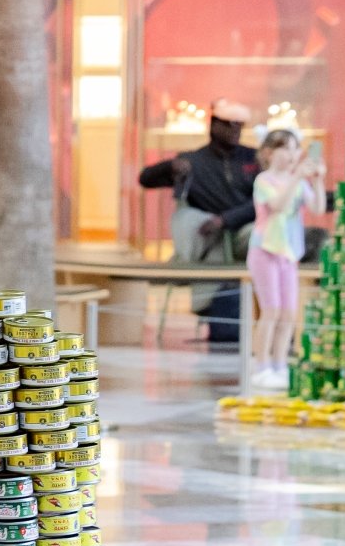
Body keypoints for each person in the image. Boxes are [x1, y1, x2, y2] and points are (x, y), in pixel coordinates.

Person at [138, 100, 259, 317]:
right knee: (204, 240)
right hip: (208, 239)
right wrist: (170, 166)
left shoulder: (253, 158)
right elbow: (145, 179)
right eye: (229, 124)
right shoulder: (193, 161)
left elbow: (263, 202)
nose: (235, 130)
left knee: (263, 239)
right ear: (214, 124)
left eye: (239, 125)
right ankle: (210, 307)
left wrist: (225, 220)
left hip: (246, 234)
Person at [247, 129, 324, 392]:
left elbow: (318, 208)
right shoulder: (263, 180)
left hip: (289, 254)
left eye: (295, 148)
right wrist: (297, 178)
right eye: (286, 148)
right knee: (271, 311)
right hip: (265, 251)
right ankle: (262, 366)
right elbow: (278, 206)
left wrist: (317, 181)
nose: (292, 155)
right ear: (269, 153)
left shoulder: (298, 181)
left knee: (289, 313)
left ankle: (280, 365)